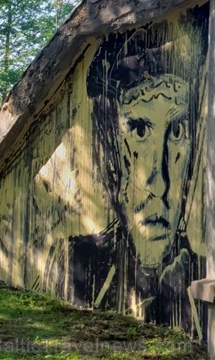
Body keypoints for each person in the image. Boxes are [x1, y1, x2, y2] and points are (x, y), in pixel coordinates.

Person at [53, 19, 207, 339]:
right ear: (110, 156)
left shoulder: (202, 273)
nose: (158, 183)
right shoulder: (79, 264)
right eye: (139, 130)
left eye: (176, 132)